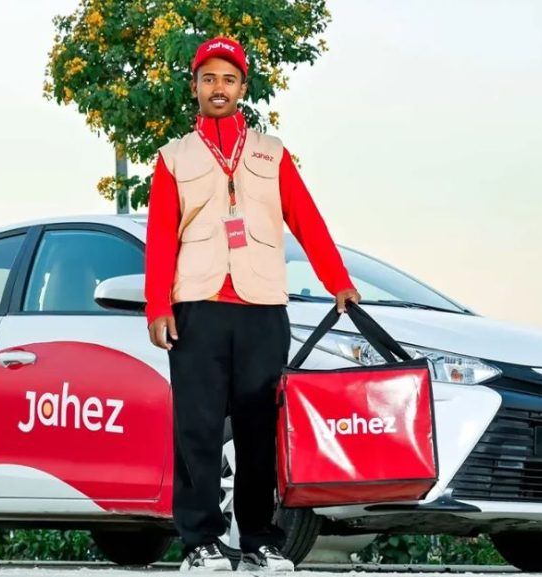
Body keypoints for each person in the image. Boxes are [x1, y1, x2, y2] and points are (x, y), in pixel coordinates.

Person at [144, 36, 360, 572]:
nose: (218, 88)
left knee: (259, 429)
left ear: (243, 87)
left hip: (262, 306)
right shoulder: (173, 158)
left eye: (228, 79)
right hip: (197, 308)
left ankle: (260, 541)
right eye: (208, 79)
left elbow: (306, 219)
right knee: (197, 429)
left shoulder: (272, 152)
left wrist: (338, 280)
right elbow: (160, 237)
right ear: (194, 87)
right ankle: (200, 542)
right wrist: (157, 306)